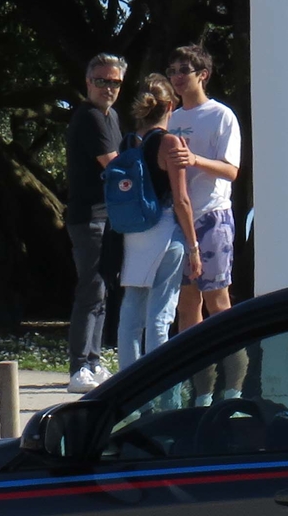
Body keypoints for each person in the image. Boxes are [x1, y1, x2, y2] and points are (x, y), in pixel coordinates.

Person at [115, 74, 200, 371]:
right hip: (165, 231)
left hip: (134, 233)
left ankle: (127, 386)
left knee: (131, 313)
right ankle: (161, 389)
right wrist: (193, 246)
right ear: (168, 105)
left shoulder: (127, 142)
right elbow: (181, 201)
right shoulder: (169, 143)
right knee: (160, 317)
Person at [158, 44, 241, 340]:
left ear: (203, 75)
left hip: (212, 217)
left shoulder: (221, 116)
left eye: (185, 71)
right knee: (187, 303)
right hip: (179, 220)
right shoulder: (173, 118)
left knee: (218, 301)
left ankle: (231, 377)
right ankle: (195, 376)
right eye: (173, 71)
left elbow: (231, 171)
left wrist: (195, 160)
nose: (177, 77)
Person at [64, 53, 127, 390]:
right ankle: (78, 368)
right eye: (102, 81)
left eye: (115, 82)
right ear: (89, 82)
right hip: (88, 216)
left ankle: (93, 360)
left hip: (108, 216)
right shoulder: (89, 116)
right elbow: (114, 165)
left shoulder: (111, 116)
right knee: (90, 291)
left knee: (102, 291)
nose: (108, 88)